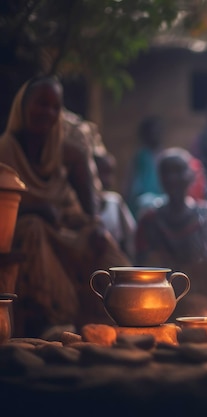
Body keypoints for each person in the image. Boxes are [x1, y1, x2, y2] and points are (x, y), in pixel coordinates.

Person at [0, 76, 130, 336]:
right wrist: (36, 209)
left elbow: (90, 210)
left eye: (54, 106)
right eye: (40, 104)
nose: (47, 112)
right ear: (22, 107)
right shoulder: (5, 152)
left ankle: (123, 316)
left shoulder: (69, 151)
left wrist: (96, 229)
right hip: (23, 235)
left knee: (100, 242)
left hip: (64, 229)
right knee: (33, 227)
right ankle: (55, 322)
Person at [135, 147, 207, 306]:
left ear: (191, 176)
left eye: (178, 171)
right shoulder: (149, 219)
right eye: (166, 172)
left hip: (203, 304)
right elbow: (141, 269)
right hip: (157, 302)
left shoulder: (205, 216)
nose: (173, 178)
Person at [94, 152, 137, 261]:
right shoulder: (79, 203)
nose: (106, 179)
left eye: (109, 173)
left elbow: (129, 238)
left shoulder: (115, 202)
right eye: (101, 173)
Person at [126, 115, 164, 216]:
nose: (155, 135)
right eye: (152, 132)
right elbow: (131, 184)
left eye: (157, 132)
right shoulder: (141, 157)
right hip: (143, 200)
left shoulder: (163, 156)